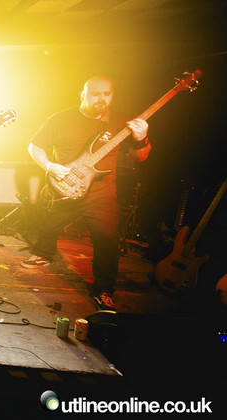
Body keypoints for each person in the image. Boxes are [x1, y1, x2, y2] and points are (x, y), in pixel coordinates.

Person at [21, 75, 152, 311]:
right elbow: (34, 146)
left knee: (107, 241)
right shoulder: (60, 119)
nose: (102, 98)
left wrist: (141, 139)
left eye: (107, 94)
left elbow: (140, 157)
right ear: (82, 94)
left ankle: (103, 289)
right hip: (65, 184)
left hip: (101, 192)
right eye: (95, 93)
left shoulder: (122, 122)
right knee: (50, 222)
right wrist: (49, 166)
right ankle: (43, 252)